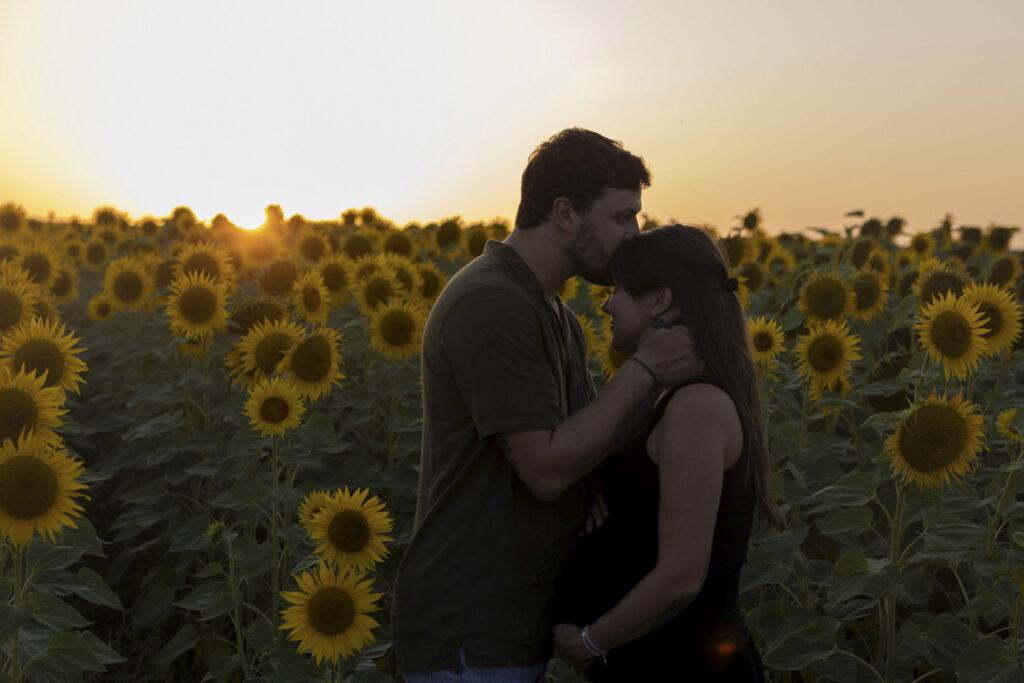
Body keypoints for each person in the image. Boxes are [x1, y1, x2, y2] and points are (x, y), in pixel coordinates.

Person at [391, 129, 703, 682]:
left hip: (511, 616)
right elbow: (546, 469)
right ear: (565, 213)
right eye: (622, 217)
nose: (634, 237)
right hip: (470, 625)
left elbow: (581, 446)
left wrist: (593, 482)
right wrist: (648, 370)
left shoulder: (552, 311)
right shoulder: (492, 302)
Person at [551, 224, 782, 682]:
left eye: (618, 290)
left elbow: (680, 576)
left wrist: (589, 641)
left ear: (658, 301)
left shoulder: (696, 407)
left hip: (687, 665)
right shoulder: (668, 396)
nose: (606, 303)